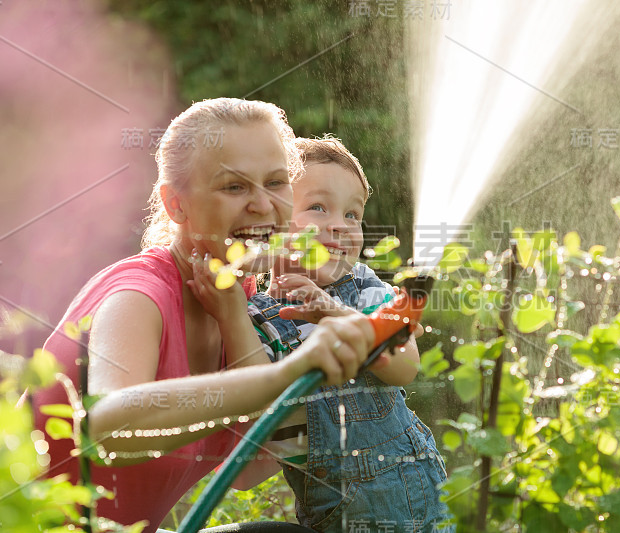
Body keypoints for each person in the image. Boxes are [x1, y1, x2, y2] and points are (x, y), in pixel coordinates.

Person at [33, 99, 380, 533]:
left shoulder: (243, 304)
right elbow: (106, 425)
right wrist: (281, 375)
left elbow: (258, 464)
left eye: (275, 182)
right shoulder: (140, 294)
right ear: (177, 205)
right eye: (234, 187)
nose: (262, 204)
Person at [193, 137, 451, 532]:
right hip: (337, 517)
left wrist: (333, 312)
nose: (339, 225)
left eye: (353, 214)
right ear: (274, 223)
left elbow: (405, 366)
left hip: (422, 496)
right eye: (318, 207)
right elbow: (259, 395)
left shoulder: (365, 288)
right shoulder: (259, 316)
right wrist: (230, 314)